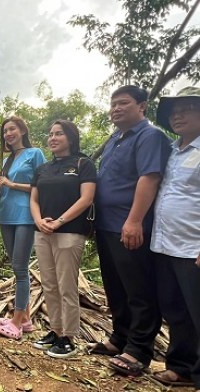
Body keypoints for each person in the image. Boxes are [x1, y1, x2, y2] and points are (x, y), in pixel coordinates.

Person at [91, 85, 171, 376]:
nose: (116, 109)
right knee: (116, 286)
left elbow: (149, 177)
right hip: (106, 225)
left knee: (139, 289)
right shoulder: (115, 139)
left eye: (123, 103)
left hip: (131, 226)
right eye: (113, 104)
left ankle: (138, 351)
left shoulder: (151, 137)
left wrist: (135, 219)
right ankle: (119, 338)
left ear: (142, 106)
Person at [29, 120, 97, 358]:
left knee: (66, 285)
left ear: (70, 137)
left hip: (69, 232)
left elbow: (86, 199)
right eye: (50, 134)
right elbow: (34, 199)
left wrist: (58, 222)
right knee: (48, 283)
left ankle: (68, 337)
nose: (53, 138)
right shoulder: (43, 169)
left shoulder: (83, 164)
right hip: (42, 232)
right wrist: (38, 220)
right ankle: (55, 330)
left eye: (59, 134)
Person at [150, 87, 200, 390]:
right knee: (174, 308)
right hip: (164, 243)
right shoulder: (171, 150)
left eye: (187, 108)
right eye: (174, 111)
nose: (177, 115)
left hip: (193, 245)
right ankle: (181, 367)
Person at [0, 116, 46, 339]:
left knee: (21, 269)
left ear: (22, 130)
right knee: (16, 266)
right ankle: (27, 318)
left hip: (25, 215)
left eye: (12, 129)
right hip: (6, 215)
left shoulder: (35, 154)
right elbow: (3, 191)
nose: (8, 134)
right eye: (5, 131)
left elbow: (42, 185)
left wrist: (11, 183)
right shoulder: (7, 159)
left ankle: (16, 321)